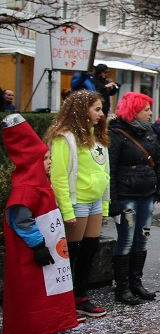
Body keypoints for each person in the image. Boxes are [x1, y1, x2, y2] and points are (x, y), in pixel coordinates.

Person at [1, 114, 80, 334]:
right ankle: (31, 330)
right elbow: (20, 219)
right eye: (45, 159)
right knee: (32, 292)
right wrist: (37, 245)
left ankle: (49, 325)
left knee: (48, 289)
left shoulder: (39, 184)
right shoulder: (26, 188)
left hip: (47, 249)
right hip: (32, 252)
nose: (50, 162)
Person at [44, 89, 111, 318]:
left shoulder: (97, 135)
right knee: (71, 252)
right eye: (97, 109)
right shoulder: (65, 137)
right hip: (77, 202)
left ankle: (80, 297)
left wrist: (104, 205)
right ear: (83, 110)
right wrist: (67, 209)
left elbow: (105, 172)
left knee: (90, 248)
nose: (101, 114)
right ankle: (64, 302)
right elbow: (59, 176)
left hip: (94, 201)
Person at [108, 92, 160, 304]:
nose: (150, 113)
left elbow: (158, 161)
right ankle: (122, 287)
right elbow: (111, 170)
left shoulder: (150, 131)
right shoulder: (116, 134)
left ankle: (136, 282)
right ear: (134, 111)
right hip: (127, 195)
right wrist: (113, 201)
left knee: (142, 238)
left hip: (147, 193)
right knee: (125, 240)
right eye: (146, 109)